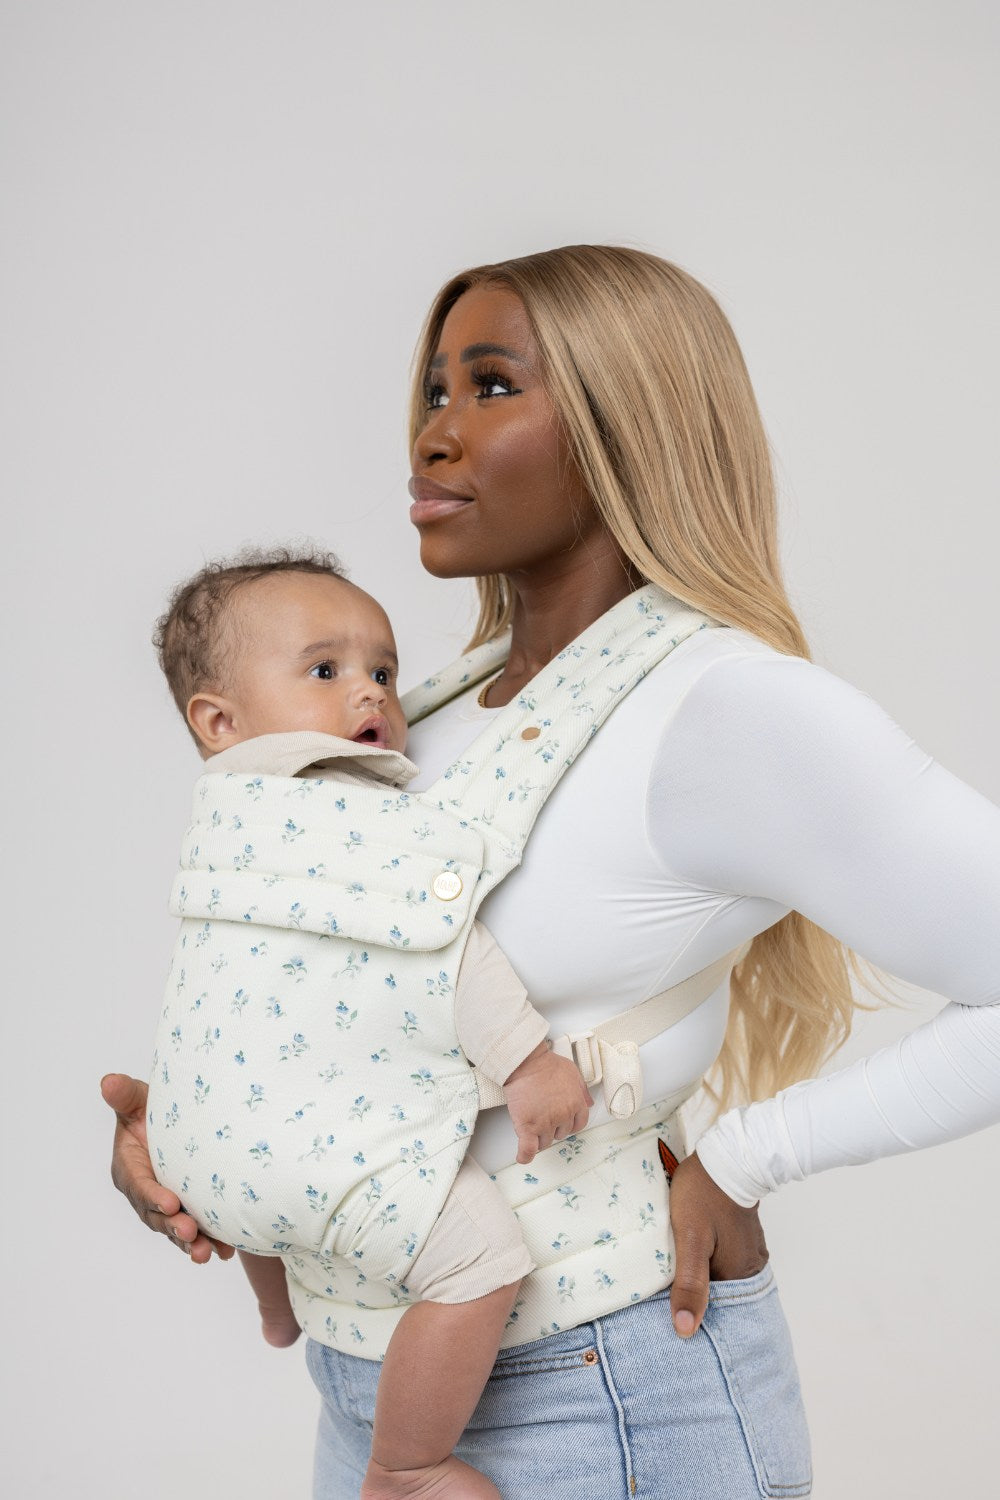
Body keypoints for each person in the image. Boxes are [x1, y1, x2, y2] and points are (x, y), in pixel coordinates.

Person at [103, 245, 1000, 1500]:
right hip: (370, 1398)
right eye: (430, 391)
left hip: (600, 1396)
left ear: (620, 427)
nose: (433, 437)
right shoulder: (422, 720)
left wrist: (753, 1157)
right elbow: (360, 997)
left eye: (488, 388)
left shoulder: (730, 711)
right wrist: (197, 1132)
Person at [146, 548, 593, 1498]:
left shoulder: (221, 816)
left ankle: (278, 1311)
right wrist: (528, 1062)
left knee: (261, 1163)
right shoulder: (361, 810)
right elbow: (447, 948)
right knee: (481, 1259)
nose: (374, 695)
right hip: (340, 1175)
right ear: (218, 720)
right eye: (326, 671)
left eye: (382, 671)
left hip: (200, 1153)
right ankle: (408, 1463)